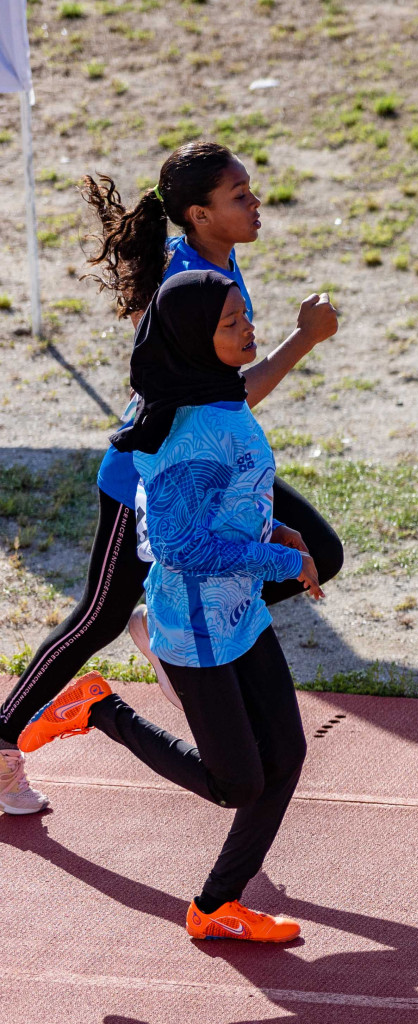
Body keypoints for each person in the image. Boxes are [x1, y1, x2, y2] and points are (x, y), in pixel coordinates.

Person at [0, 142, 340, 815]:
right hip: (151, 482)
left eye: (250, 189)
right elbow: (226, 394)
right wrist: (304, 339)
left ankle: (166, 622)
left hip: (211, 475)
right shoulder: (186, 278)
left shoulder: (218, 257)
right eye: (239, 195)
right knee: (97, 616)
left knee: (317, 553)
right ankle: (5, 737)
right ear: (199, 214)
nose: (255, 202)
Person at [19, 271, 321, 941]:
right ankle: (100, 709)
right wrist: (281, 560)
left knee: (288, 757)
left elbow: (217, 511)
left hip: (239, 613)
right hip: (195, 629)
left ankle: (216, 905)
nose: (248, 330)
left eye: (245, 314)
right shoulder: (190, 436)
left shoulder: (219, 399)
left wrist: (273, 529)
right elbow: (181, 548)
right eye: (230, 324)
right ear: (191, 340)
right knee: (236, 784)